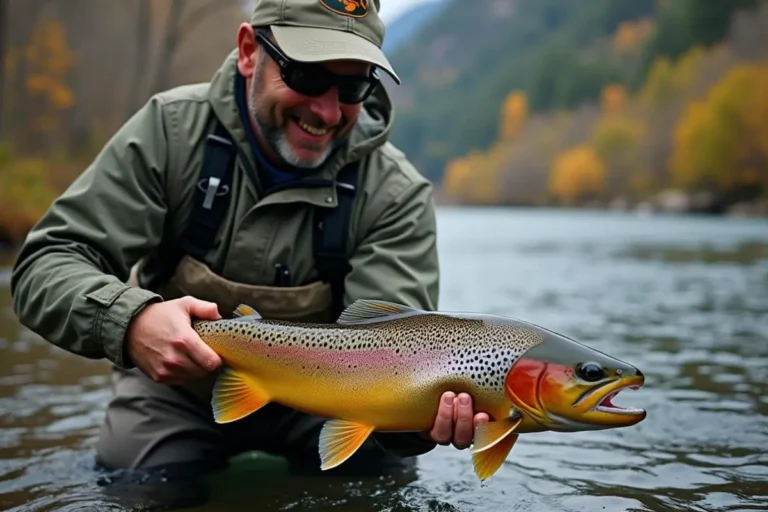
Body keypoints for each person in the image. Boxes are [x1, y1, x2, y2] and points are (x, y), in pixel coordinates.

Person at [10, 0, 488, 481]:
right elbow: (45, 263)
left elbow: (395, 359)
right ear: (247, 52)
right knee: (141, 483)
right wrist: (131, 323)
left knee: (381, 476)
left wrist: (420, 423)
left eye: (353, 86)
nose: (326, 110)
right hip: (178, 391)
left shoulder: (394, 193)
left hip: (330, 403)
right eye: (306, 75)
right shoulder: (170, 133)